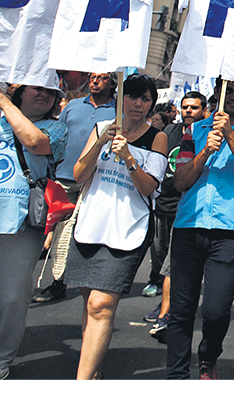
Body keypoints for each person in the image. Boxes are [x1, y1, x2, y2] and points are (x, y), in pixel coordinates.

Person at [63, 74, 168, 379]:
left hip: (127, 229)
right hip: (92, 226)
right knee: (90, 302)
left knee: (101, 304)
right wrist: (101, 142)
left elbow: (148, 188)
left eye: (145, 99)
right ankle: (92, 370)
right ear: (121, 99)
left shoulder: (156, 138)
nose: (138, 104)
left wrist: (128, 156)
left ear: (151, 104)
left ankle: (81, 382)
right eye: (132, 97)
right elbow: (80, 173)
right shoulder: (101, 129)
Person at [166, 79, 234, 379]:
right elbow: (180, 181)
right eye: (229, 91)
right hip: (189, 226)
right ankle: (176, 374)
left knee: (216, 310)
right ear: (217, 93)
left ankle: (208, 356)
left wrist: (229, 135)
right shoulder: (195, 131)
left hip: (229, 231)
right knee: (181, 309)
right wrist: (204, 153)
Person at [0, 82, 67, 380]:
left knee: (11, 298)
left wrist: (5, 104)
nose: (43, 94)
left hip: (22, 225)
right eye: (35, 88)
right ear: (20, 91)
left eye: (50, 92)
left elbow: (35, 143)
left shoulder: (56, 130)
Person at [33, 72, 117, 303]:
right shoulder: (72, 106)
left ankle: (84, 281)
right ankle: (57, 281)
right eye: (92, 77)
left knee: (82, 234)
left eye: (101, 78)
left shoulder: (117, 112)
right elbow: (57, 136)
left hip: (93, 181)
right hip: (63, 176)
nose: (94, 81)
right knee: (58, 232)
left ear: (112, 83)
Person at [144, 92, 208, 337]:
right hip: (162, 205)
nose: (188, 111)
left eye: (194, 107)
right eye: (185, 107)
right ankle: (165, 304)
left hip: (186, 208)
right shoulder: (169, 132)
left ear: (203, 110)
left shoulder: (204, 134)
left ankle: (166, 316)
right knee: (159, 258)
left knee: (173, 264)